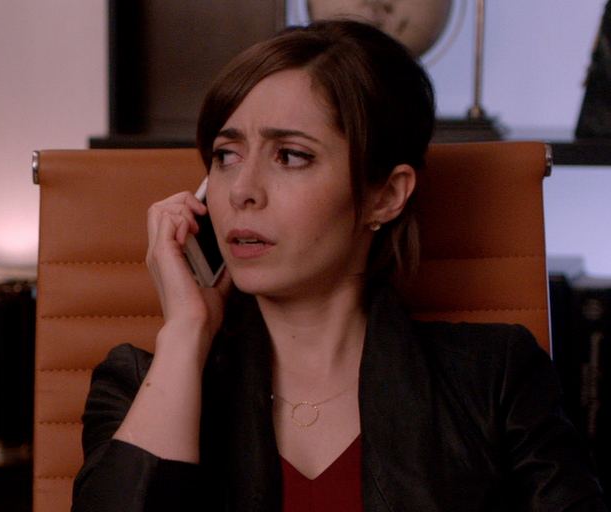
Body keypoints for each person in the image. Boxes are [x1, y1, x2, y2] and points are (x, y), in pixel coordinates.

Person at [71, 20, 605, 512]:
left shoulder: (496, 378)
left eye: (290, 156)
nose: (241, 191)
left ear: (386, 196)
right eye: (226, 156)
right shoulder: (140, 383)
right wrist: (187, 332)